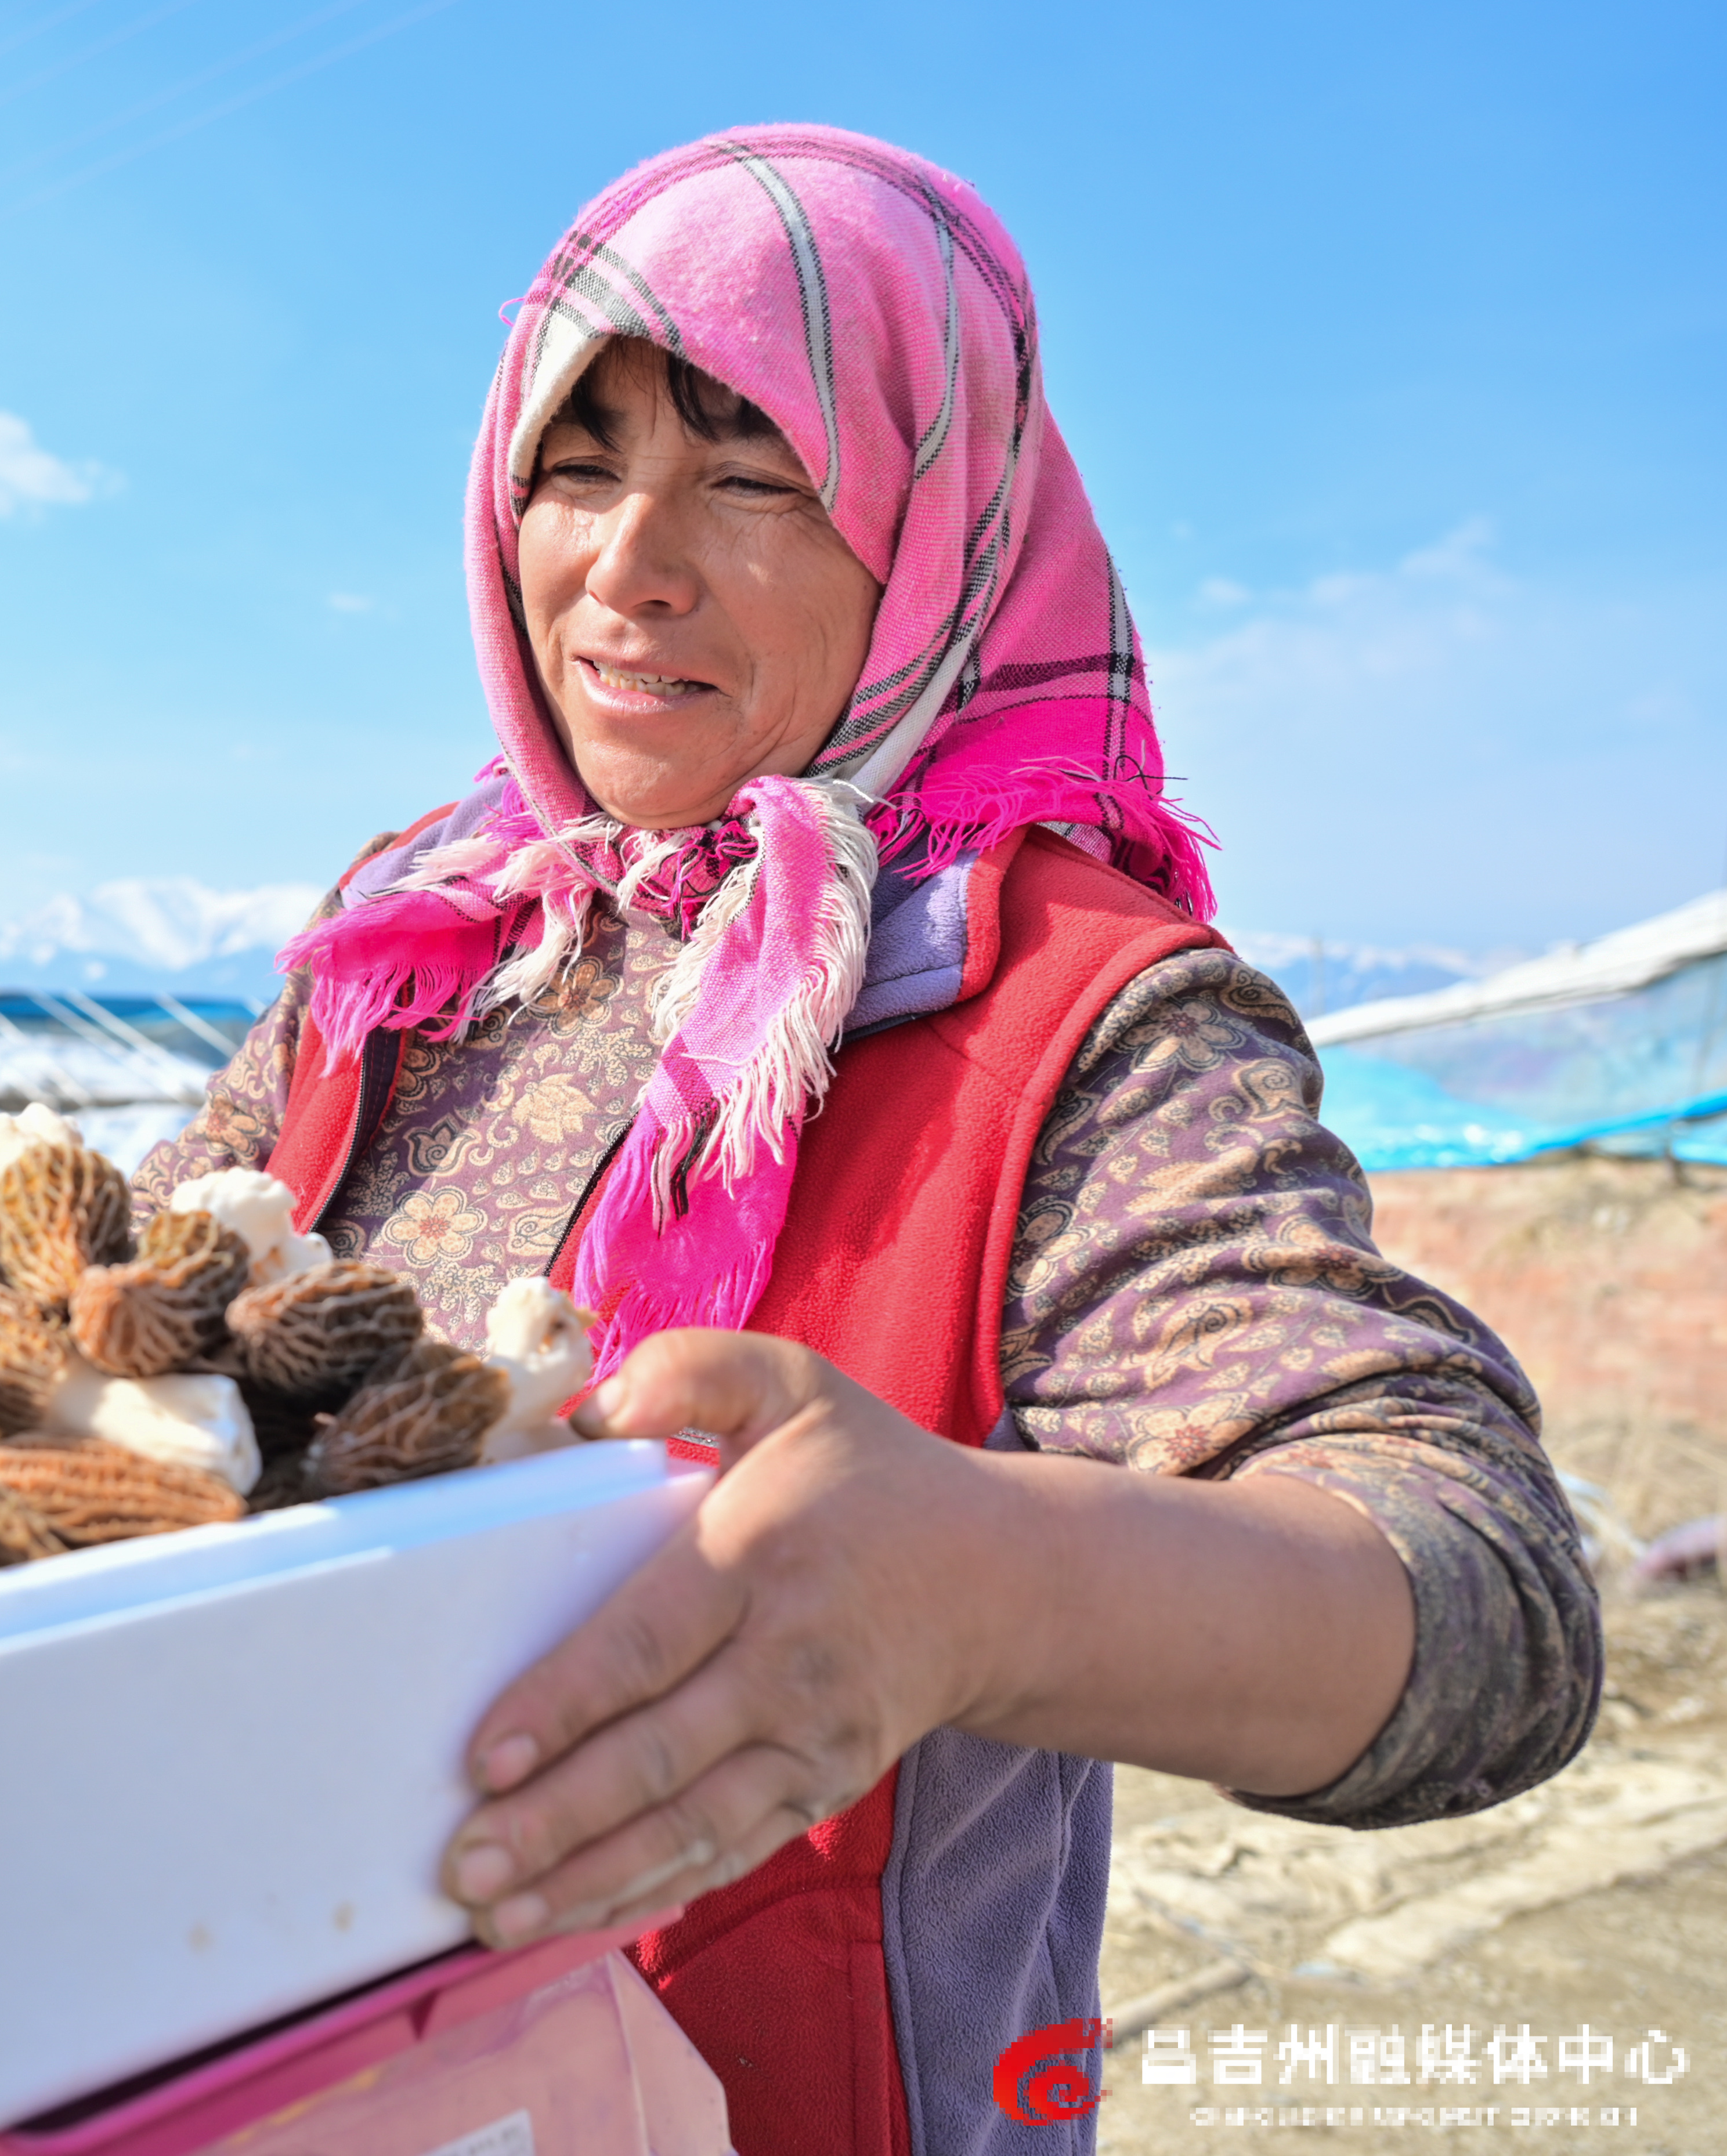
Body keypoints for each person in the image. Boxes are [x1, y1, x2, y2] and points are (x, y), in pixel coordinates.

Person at [133, 128, 1597, 2155]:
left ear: (931, 516)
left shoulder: (1072, 1010)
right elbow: (131, 1303)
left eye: (754, 472)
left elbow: (1493, 1599)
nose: (628, 563)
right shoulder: (405, 938)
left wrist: (980, 1583)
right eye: (577, 464)